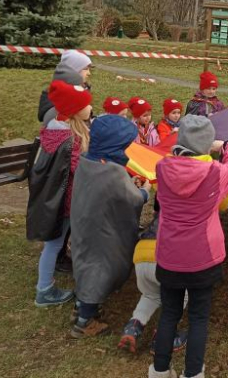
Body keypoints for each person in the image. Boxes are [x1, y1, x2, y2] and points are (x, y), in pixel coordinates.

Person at [149, 115, 228, 378]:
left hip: (169, 255)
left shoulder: (162, 168)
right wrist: (225, 146)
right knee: (198, 318)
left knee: (169, 312)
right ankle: (192, 373)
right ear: (206, 145)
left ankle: (159, 370)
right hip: (203, 257)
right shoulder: (217, 173)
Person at [70, 115, 152, 338]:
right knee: (100, 270)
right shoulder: (112, 173)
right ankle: (85, 322)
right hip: (103, 234)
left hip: (85, 225)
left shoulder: (88, 160)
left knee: (85, 264)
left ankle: (81, 306)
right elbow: (133, 199)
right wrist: (144, 190)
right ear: (116, 145)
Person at [26, 80, 92, 307]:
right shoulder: (69, 139)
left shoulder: (54, 129)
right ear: (75, 110)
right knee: (54, 244)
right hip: (66, 201)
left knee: (56, 243)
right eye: (86, 106)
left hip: (57, 198)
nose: (90, 109)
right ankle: (44, 290)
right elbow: (79, 168)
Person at [119, 216, 189, 354]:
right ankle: (164, 337)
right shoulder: (192, 210)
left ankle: (133, 327)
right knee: (181, 296)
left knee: (150, 295)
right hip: (165, 256)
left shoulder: (167, 200)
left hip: (141, 254)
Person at [37, 50, 92, 126]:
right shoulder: (56, 96)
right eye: (85, 68)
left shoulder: (81, 89)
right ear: (74, 69)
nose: (89, 73)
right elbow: (53, 124)